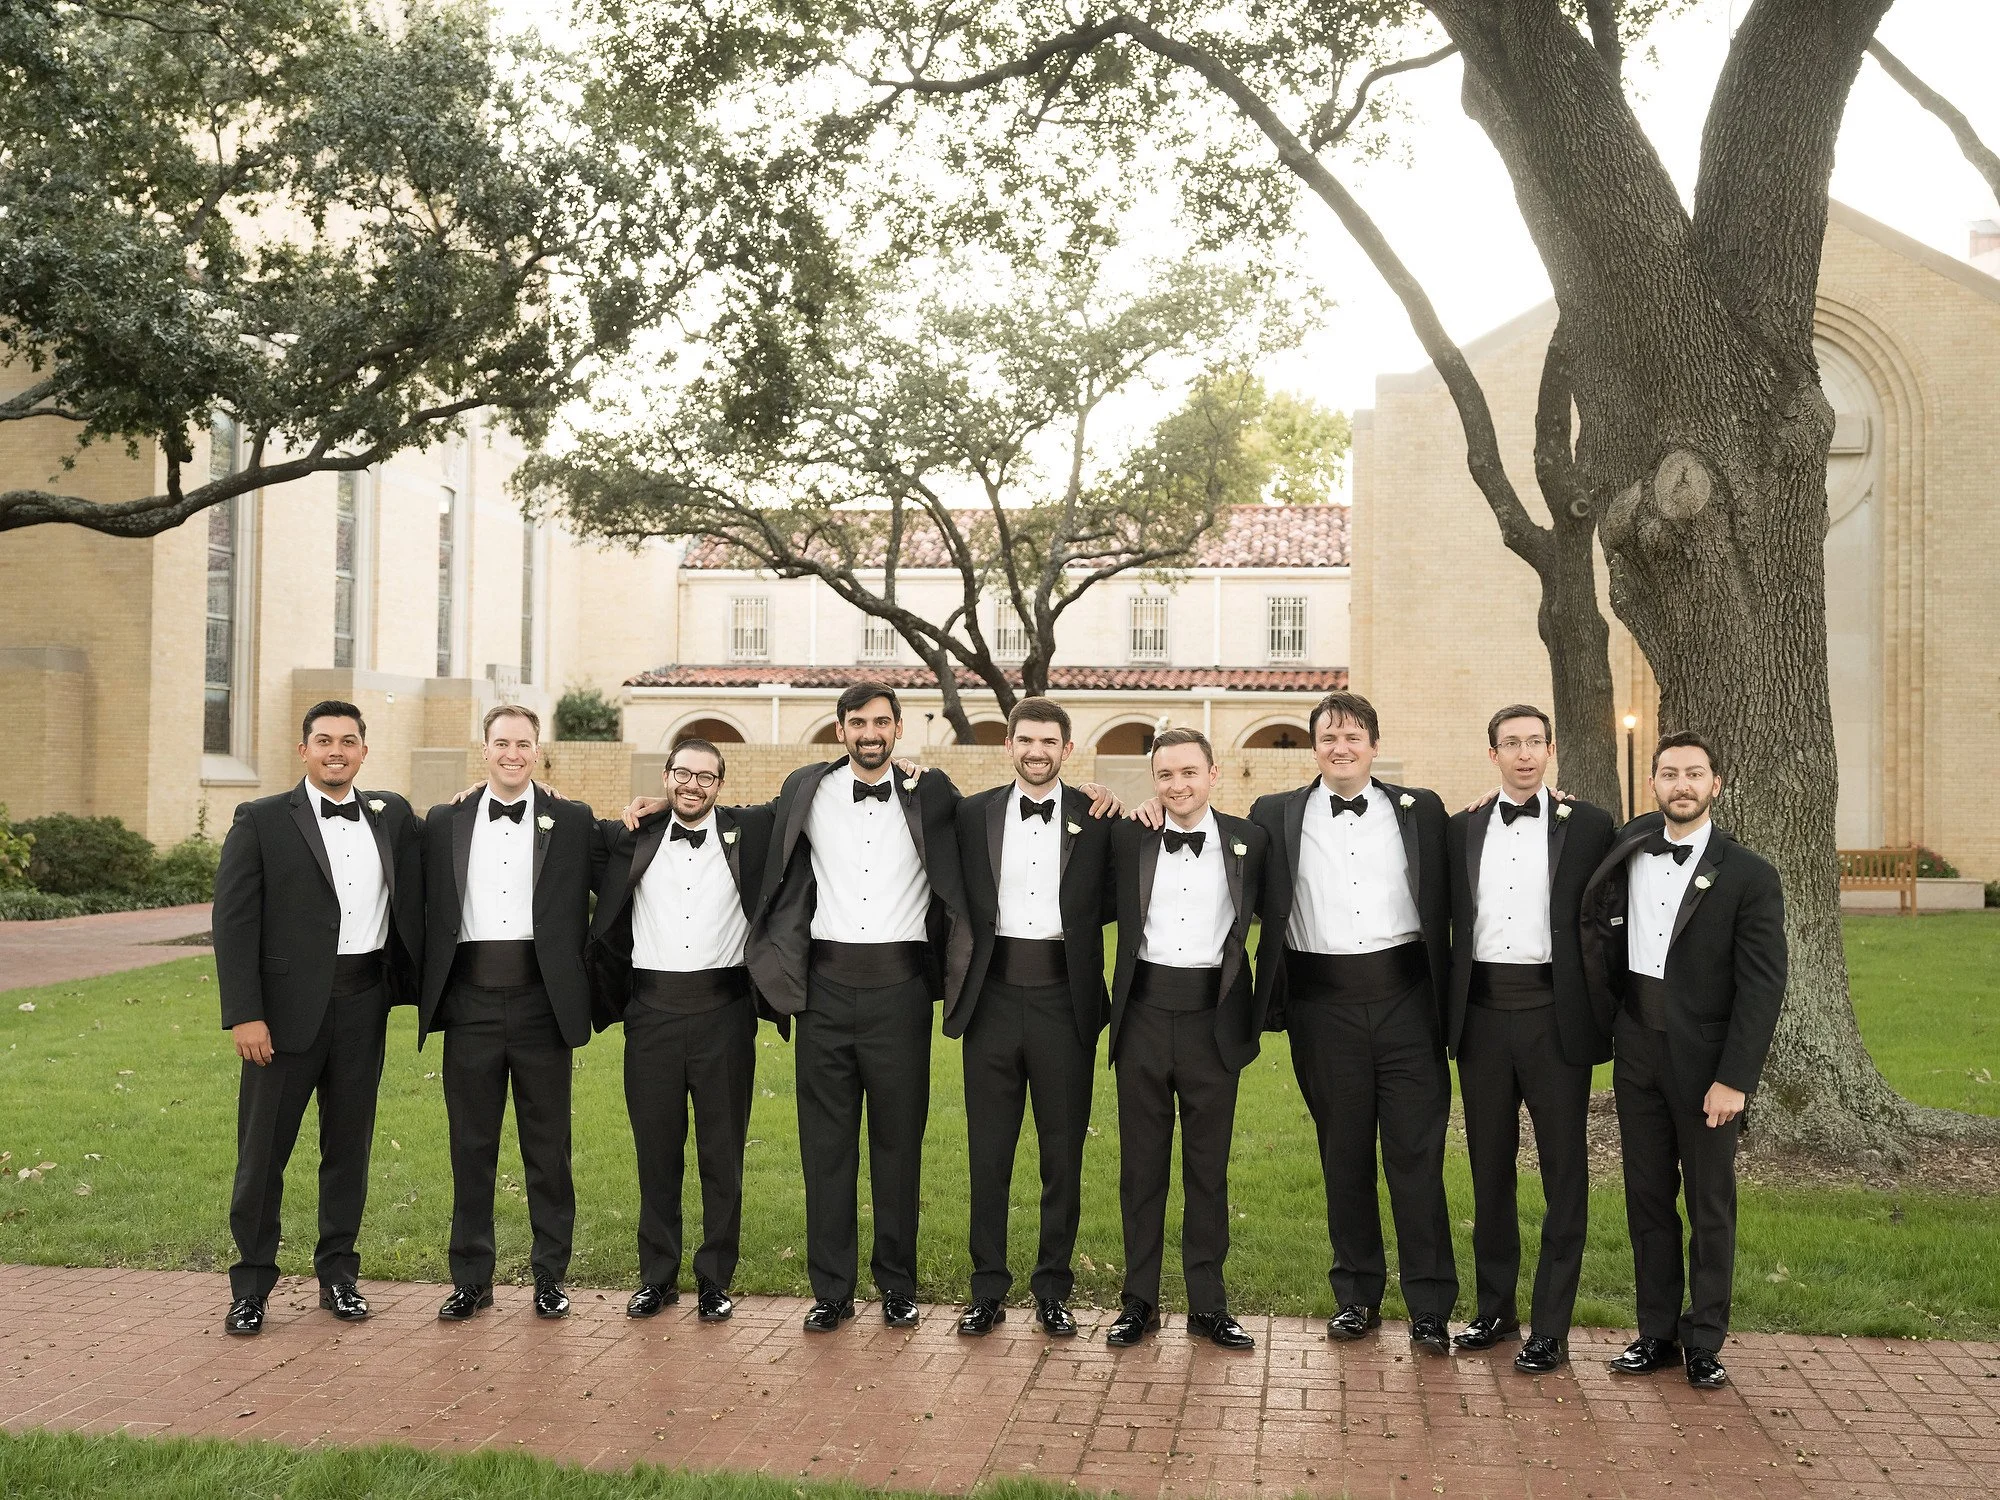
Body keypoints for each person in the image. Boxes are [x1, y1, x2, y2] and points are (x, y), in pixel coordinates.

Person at [745, 683, 970, 1332]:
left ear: (898, 728)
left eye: (881, 722)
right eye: (857, 722)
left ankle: (897, 1286)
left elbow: (997, 818)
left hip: (901, 992)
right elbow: (744, 821)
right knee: (826, 1147)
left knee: (898, 1145)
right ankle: (832, 1291)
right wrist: (663, 802)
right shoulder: (805, 789)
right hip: (823, 991)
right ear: (839, 729)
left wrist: (1092, 797)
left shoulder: (932, 791)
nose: (870, 733)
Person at [1248, 691, 1458, 1353]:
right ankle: (1357, 1296)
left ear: (1373, 745)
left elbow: (1478, 848)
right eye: (1329, 737)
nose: (1341, 748)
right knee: (1343, 1155)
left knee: (1416, 1157)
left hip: (1408, 1005)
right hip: (1322, 1007)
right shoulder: (1274, 813)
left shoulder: (1421, 809)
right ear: (1315, 746)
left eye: (1353, 736)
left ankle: (1430, 1305)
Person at [1581, 731, 1786, 1390]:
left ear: (1715, 784)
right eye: (1670, 773)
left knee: (1709, 1204)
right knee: (1646, 1197)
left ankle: (1704, 1340)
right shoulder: (1629, 846)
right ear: (1653, 783)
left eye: (1695, 774)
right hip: (1636, 1047)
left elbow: (1762, 987)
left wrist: (1735, 1079)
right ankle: (1657, 1334)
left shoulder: (1749, 874)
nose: (1682, 785)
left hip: (1707, 1063)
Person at [212, 701, 423, 1335]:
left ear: (364, 751)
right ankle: (251, 1286)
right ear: (303, 750)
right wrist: (245, 1014)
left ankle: (339, 1276)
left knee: (348, 1150)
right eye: (324, 740)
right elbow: (233, 922)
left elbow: (455, 834)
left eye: (348, 741)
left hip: (364, 1003)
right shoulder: (261, 819)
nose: (337, 751)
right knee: (262, 1155)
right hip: (281, 1018)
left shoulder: (391, 814)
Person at [1445, 705, 1615, 1373]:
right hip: (1482, 1017)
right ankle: (1494, 1311)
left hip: (1556, 1017)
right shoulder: (1462, 826)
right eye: (1511, 743)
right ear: (1492, 755)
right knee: (1489, 1171)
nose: (1524, 753)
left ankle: (1551, 1327)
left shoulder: (1590, 825)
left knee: (1563, 1173)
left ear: (1551, 749)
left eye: (1535, 741)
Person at [418, 705, 599, 1323]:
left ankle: (550, 1277)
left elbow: (629, 855)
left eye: (523, 744)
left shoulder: (571, 820)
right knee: (471, 1146)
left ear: (538, 749)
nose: (512, 754)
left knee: (548, 1149)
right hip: (469, 1002)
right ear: (485, 748)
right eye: (502, 743)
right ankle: (471, 1279)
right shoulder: (445, 820)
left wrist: (651, 805)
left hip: (542, 1003)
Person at [587, 737, 775, 1324]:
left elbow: (807, 791)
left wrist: (903, 765)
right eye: (683, 774)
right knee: (656, 1152)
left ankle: (716, 1279)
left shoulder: (749, 834)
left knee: (722, 1155)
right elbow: (553, 823)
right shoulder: (627, 837)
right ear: (666, 776)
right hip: (651, 1015)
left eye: (705, 777)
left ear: (721, 785)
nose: (693, 785)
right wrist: (481, 788)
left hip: (725, 1014)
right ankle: (657, 1277)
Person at [950, 697, 1116, 1339]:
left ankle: (1052, 1289)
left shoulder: (1097, 818)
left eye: (1049, 741)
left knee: (1062, 1154)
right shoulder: (972, 814)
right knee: (988, 1153)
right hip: (990, 1000)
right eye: (1025, 740)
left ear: (1067, 749)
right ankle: (987, 1288)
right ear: (1009, 745)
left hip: (1063, 1003)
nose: (1036, 751)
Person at [1104, 727, 1266, 1351]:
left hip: (1213, 1020)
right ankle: (1138, 1302)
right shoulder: (1130, 836)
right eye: (1165, 775)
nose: (1178, 785)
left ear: (1213, 773)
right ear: (1154, 781)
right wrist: (1095, 789)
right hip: (1143, 1015)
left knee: (1208, 1168)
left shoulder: (1251, 840)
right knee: (1141, 1169)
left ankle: (1208, 1305)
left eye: (1189, 772)